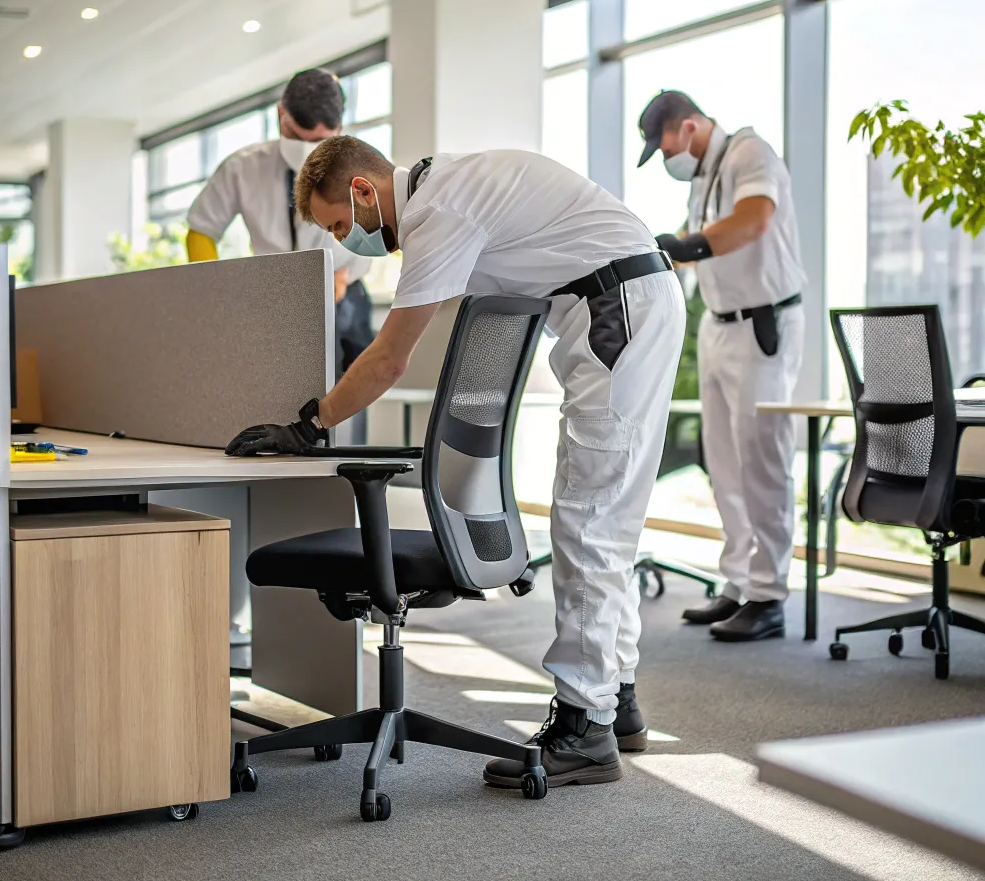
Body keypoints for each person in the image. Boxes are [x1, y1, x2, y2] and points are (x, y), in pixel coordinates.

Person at [227, 137, 686, 787]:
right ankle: (616, 700)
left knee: (589, 523)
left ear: (362, 191)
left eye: (337, 224)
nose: (344, 240)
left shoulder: (437, 208)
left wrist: (309, 424)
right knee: (605, 520)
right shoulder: (453, 187)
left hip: (618, 311)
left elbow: (390, 356)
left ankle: (586, 726)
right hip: (625, 304)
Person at [637, 90, 805, 642]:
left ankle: (770, 593)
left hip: (762, 325)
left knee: (762, 458)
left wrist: (687, 247)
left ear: (688, 128)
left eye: (664, 148)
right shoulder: (704, 177)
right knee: (725, 463)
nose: (666, 161)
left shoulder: (750, 153)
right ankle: (737, 582)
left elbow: (753, 221)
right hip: (717, 324)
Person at [185, 68, 374, 376]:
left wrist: (344, 273)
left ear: (339, 126)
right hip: (274, 298)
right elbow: (202, 229)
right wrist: (212, 292)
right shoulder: (243, 168)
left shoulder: (362, 168)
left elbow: (378, 229)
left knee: (350, 389)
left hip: (343, 294)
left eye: (321, 141)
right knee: (278, 386)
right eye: (297, 136)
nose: (307, 148)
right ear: (280, 114)